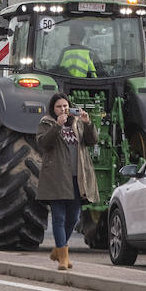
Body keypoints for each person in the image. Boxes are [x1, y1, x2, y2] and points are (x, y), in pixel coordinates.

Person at [35, 92, 99, 271]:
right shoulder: (46, 123)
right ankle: (64, 258)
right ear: (52, 109)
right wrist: (57, 126)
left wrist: (87, 122)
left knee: (74, 217)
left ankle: (58, 249)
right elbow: (43, 143)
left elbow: (92, 140)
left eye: (65, 106)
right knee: (59, 217)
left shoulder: (77, 123)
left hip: (77, 177)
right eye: (59, 107)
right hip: (56, 177)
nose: (63, 109)